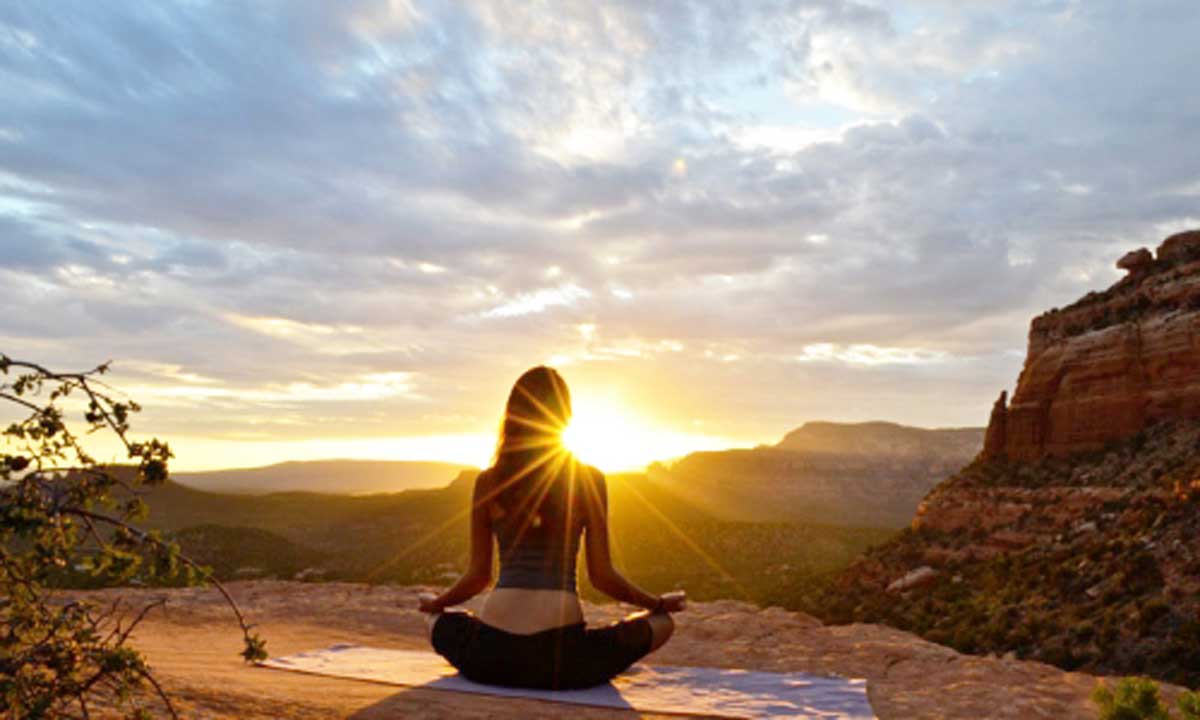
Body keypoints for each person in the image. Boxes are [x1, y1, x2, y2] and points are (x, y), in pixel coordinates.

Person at [417, 365, 686, 689]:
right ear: (565, 418)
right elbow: (602, 576)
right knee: (662, 624)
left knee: (435, 622)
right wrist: (656, 604)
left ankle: (438, 614)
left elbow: (479, 577)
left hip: (490, 656)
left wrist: (437, 604)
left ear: (513, 418)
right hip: (562, 661)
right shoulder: (588, 479)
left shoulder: (489, 482)